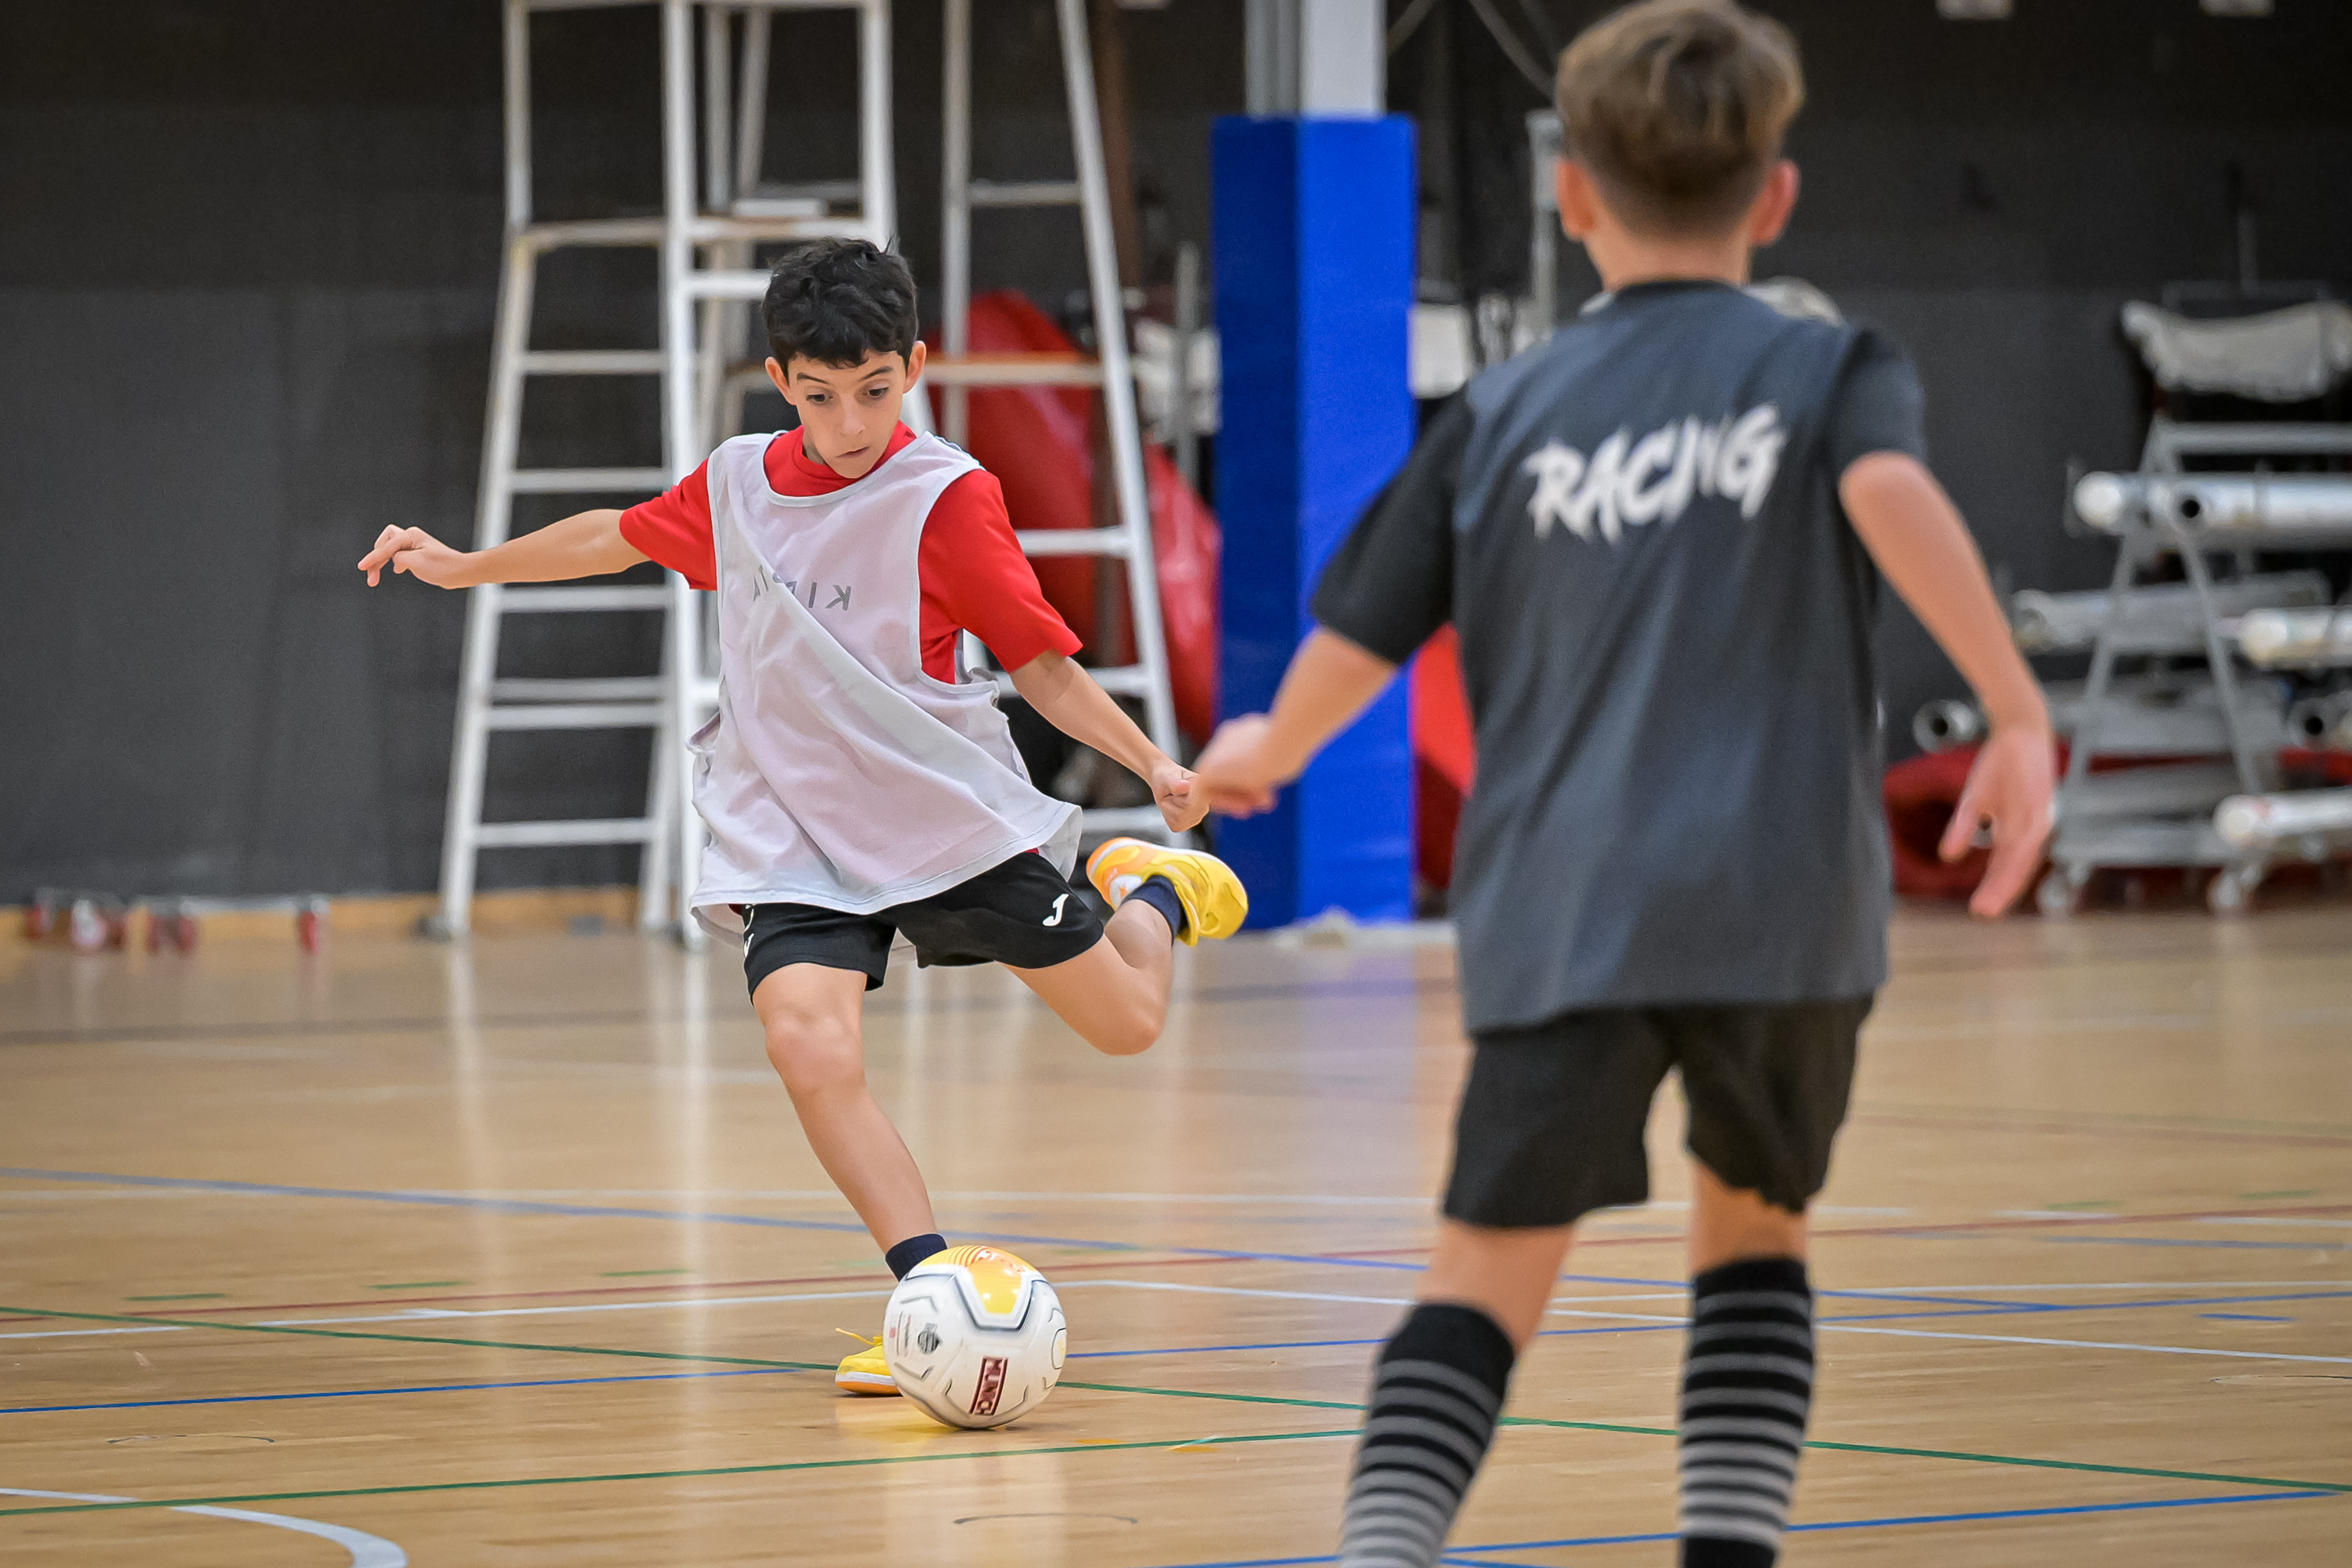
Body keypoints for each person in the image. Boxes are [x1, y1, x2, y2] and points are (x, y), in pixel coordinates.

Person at [1192, 3, 2053, 1563]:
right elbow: (1891, 488)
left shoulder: (1504, 411)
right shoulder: (1829, 369)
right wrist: (2010, 705)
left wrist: (1271, 750)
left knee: (1484, 1272)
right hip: (1782, 909)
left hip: (1567, 906)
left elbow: (1363, 631)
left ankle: (1385, 1550)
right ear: (1774, 197)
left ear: (1572, 192)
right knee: (1755, 1237)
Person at [361, 238, 1247, 1396]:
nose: (849, 422)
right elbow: (613, 535)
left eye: (875, 390)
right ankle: (926, 1297)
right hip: (788, 825)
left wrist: (1153, 764)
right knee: (805, 1041)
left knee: (1129, 1025)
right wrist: (463, 565)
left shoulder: (946, 499)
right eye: (821, 395)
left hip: (935, 812)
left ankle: (1154, 890)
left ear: (914, 367)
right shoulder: (736, 483)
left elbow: (1040, 665)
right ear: (781, 380)